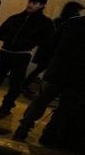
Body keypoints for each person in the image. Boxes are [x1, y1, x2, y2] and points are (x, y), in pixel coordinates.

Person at [0, 0, 53, 115]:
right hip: (5, 52)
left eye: (35, 3)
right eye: (30, 1)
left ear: (42, 5)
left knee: (15, 82)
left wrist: (29, 42)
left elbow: (47, 39)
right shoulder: (16, 18)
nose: (30, 5)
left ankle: (7, 105)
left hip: (22, 54)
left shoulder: (45, 22)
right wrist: (8, 38)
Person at [14, 14, 85, 142]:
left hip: (57, 70)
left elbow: (51, 44)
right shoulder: (72, 22)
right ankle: (49, 136)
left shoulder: (72, 22)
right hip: (80, 77)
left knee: (40, 101)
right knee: (65, 107)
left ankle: (23, 129)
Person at [22, 0, 84, 93]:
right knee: (44, 71)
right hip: (52, 52)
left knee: (40, 70)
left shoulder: (61, 21)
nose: (79, 13)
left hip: (50, 51)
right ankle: (33, 88)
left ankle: (27, 86)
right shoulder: (66, 23)